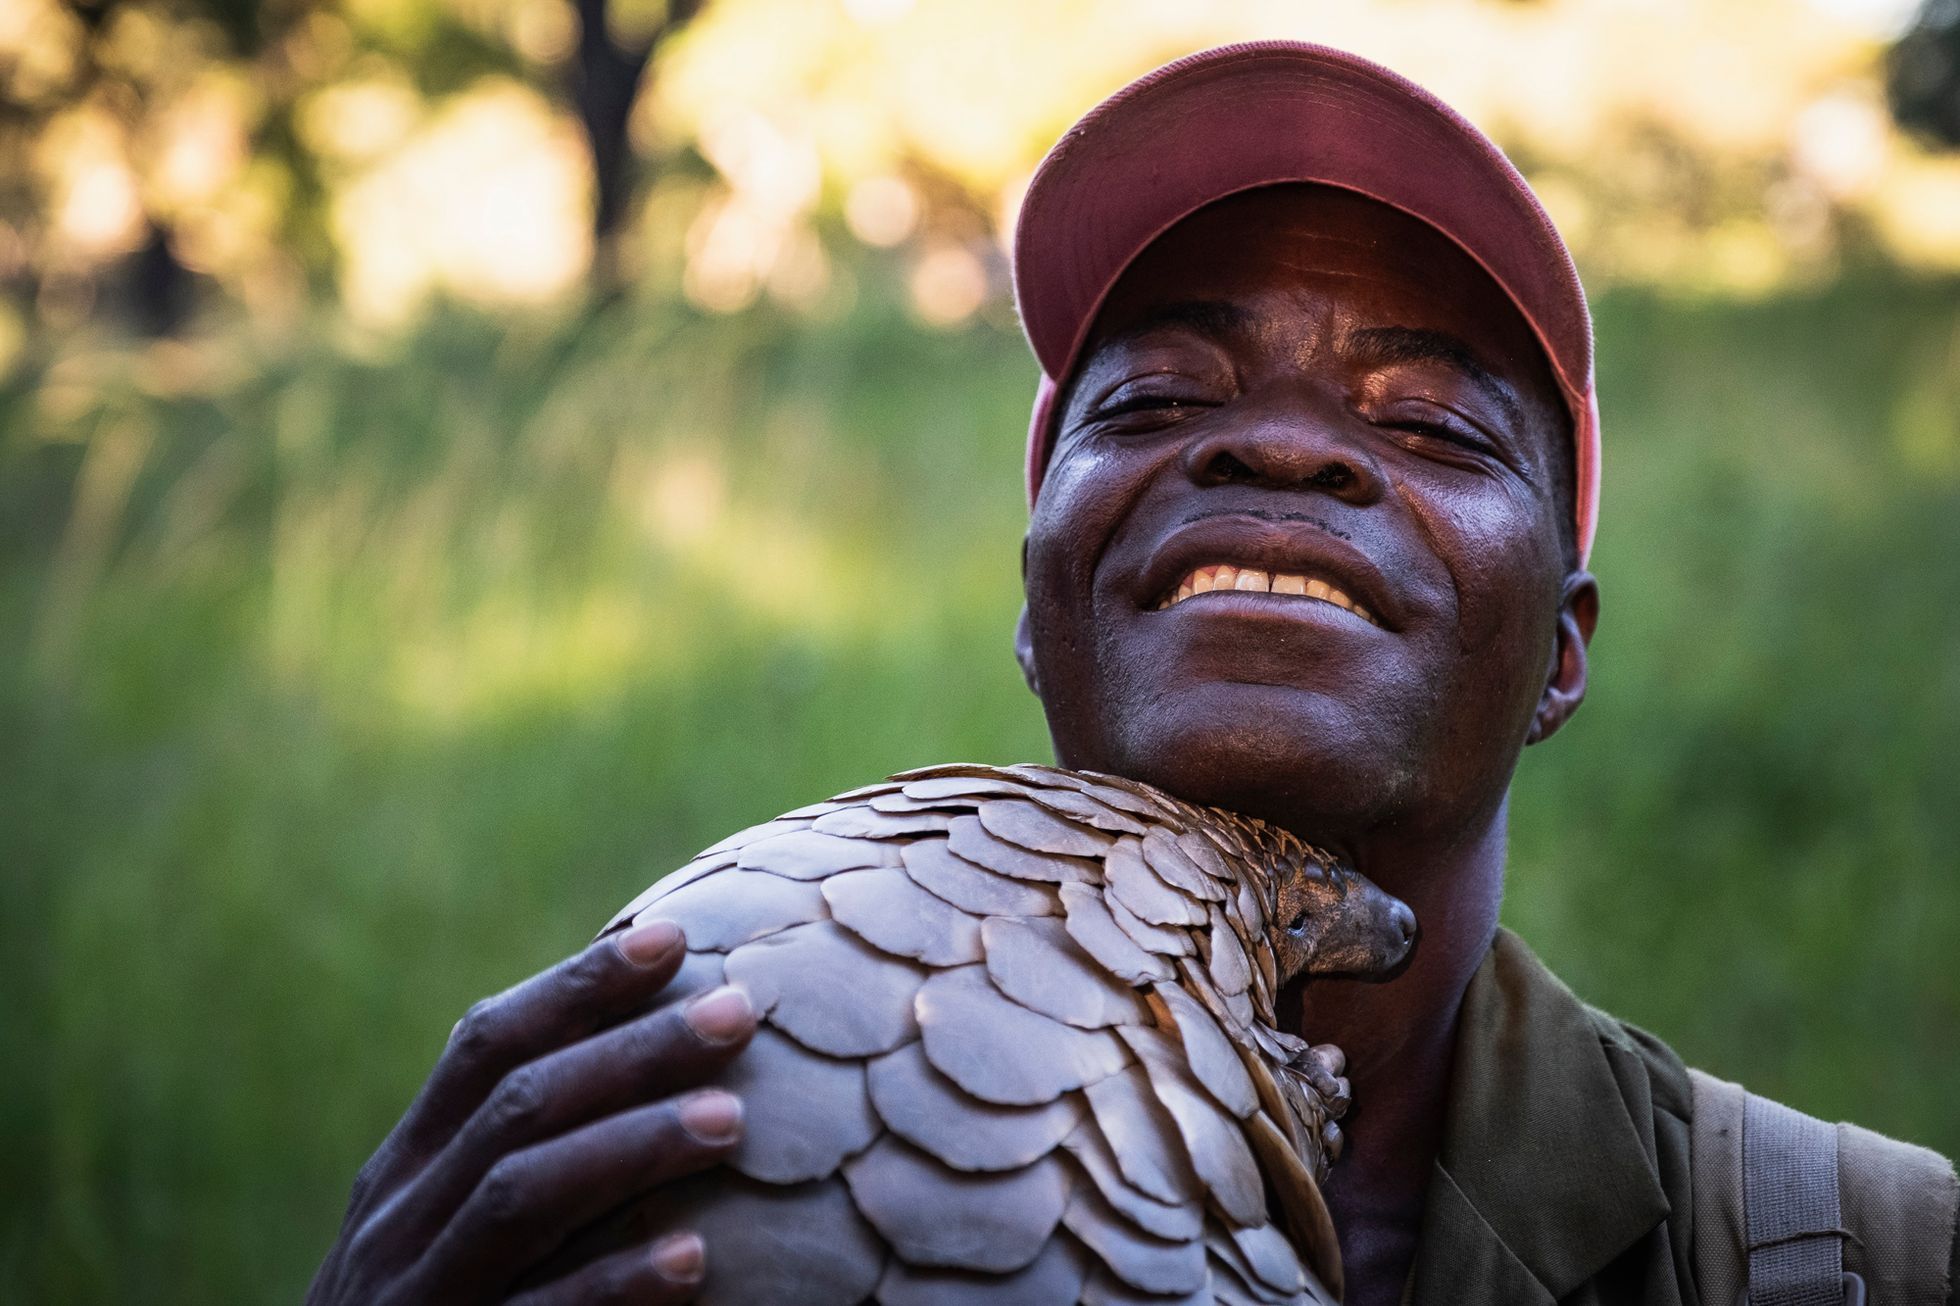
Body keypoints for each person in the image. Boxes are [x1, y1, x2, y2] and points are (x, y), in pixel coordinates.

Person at [307, 41, 1957, 1306]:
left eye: (1432, 424)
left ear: (1561, 653)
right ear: (1039, 598)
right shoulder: (665, 1126)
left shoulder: (1863, 1250)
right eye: (1158, 399)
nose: (1279, 445)